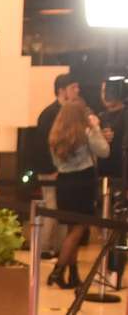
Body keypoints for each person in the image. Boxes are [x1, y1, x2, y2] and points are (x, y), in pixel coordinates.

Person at [46, 99, 110, 289]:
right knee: (78, 229)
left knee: (71, 229)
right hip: (83, 182)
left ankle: (73, 274)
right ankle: (58, 271)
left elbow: (55, 163)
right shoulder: (86, 133)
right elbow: (104, 151)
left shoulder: (55, 136)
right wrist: (96, 128)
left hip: (64, 182)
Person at [34, 73, 79, 260]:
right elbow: (43, 145)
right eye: (73, 87)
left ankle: (59, 248)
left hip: (65, 170)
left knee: (62, 209)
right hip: (50, 170)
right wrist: (52, 169)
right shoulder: (49, 114)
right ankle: (43, 248)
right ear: (61, 90)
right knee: (51, 208)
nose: (77, 90)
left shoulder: (70, 112)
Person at [97, 78, 128, 286]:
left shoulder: (125, 115)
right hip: (103, 178)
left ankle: (116, 270)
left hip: (121, 177)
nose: (103, 95)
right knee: (104, 226)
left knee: (118, 228)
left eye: (106, 90)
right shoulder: (101, 117)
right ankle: (105, 269)